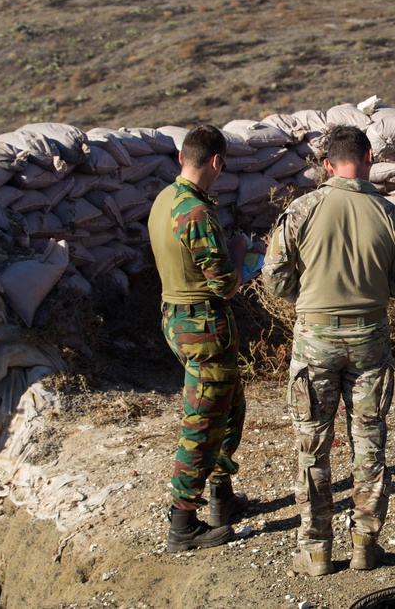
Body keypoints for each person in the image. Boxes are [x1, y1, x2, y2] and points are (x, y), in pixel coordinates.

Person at [262, 126, 395, 576]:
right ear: (370, 157)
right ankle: (366, 545)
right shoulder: (390, 214)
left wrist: (310, 297)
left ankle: (315, 551)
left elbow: (274, 279)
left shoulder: (302, 210)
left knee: (313, 445)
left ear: (327, 165)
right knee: (369, 441)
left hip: (315, 337)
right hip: (370, 335)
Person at [148, 124, 252, 553]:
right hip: (203, 325)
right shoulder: (196, 212)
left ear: (181, 158)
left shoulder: (164, 199)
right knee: (203, 420)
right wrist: (242, 250)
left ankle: (220, 496)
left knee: (230, 404)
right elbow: (224, 284)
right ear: (216, 162)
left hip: (179, 320)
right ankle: (183, 524)